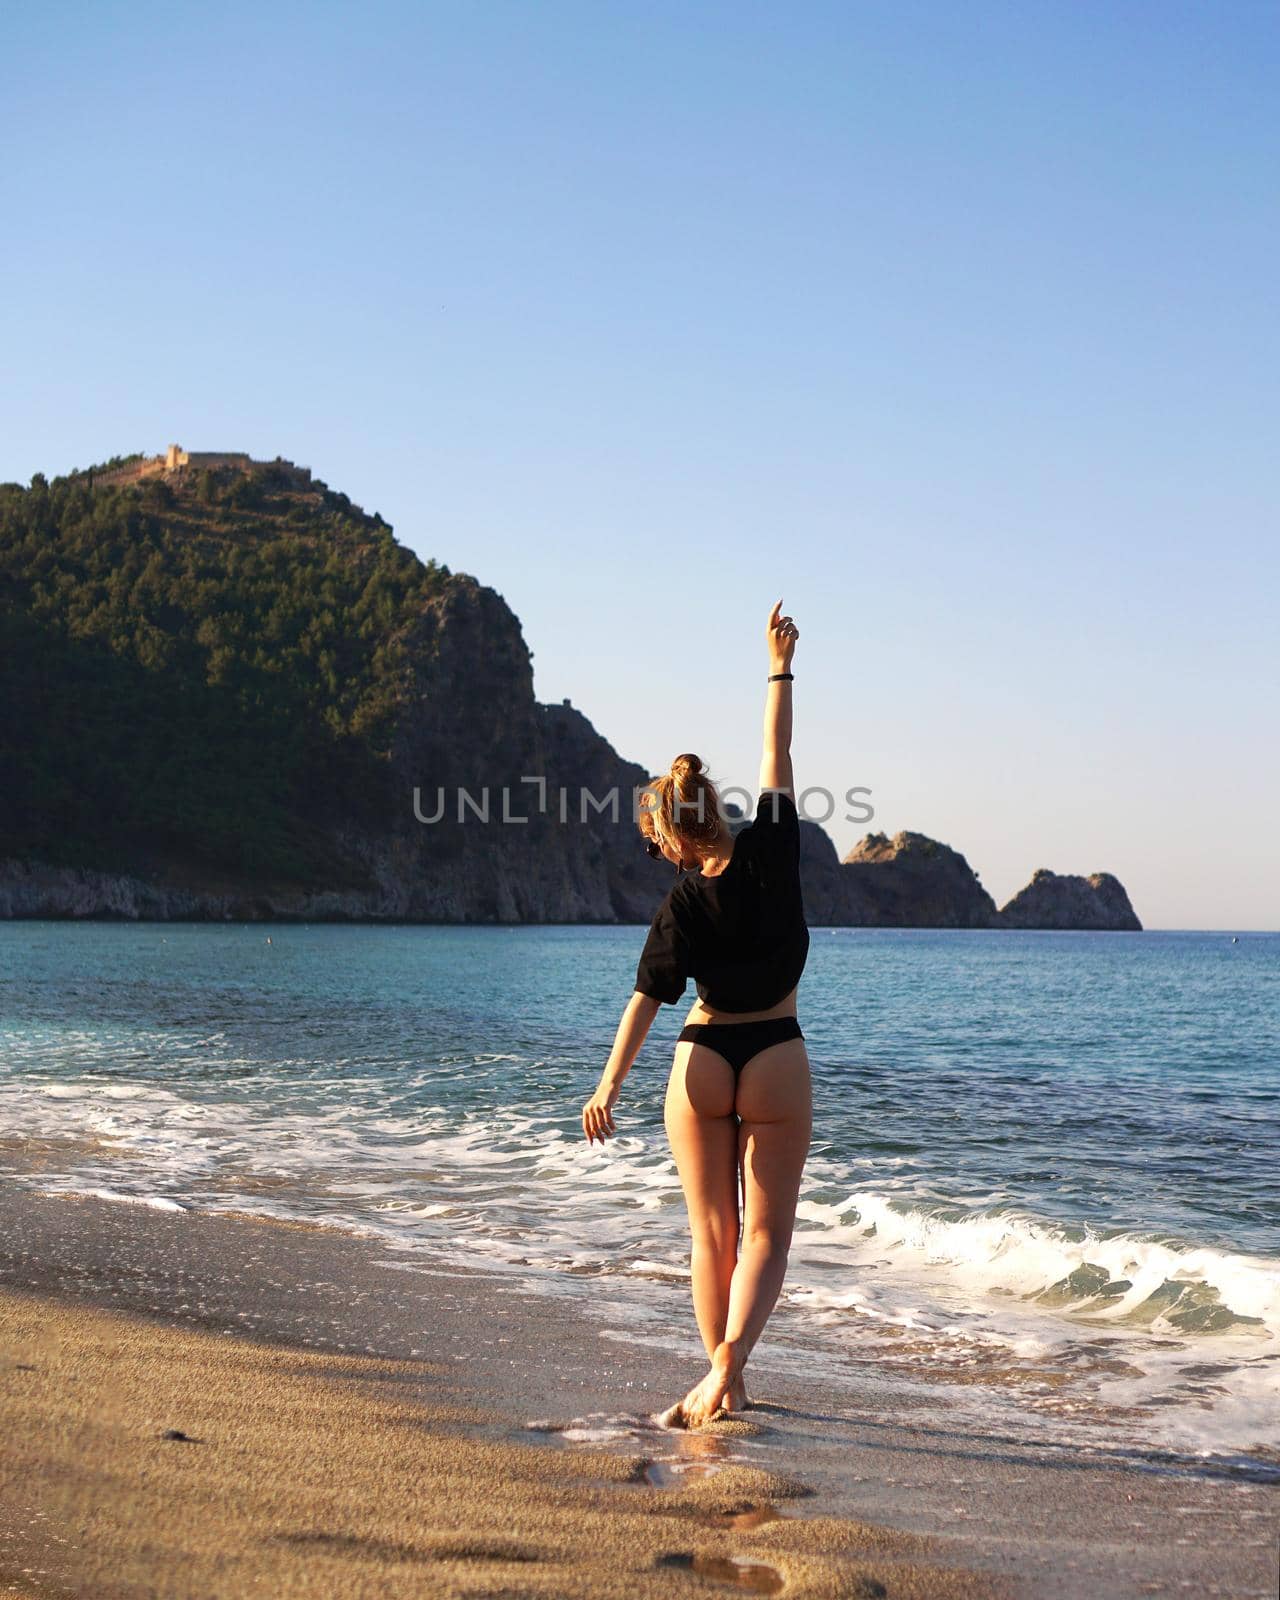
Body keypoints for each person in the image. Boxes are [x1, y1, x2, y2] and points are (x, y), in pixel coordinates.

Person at [582, 599, 810, 1428]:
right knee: (765, 1240)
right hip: (777, 1051)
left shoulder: (679, 904)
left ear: (672, 840)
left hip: (702, 1058)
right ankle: (729, 1372)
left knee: (712, 1235)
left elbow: (646, 999)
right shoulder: (774, 843)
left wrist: (608, 1085)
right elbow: (775, 750)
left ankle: (722, 1378)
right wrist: (779, 662)